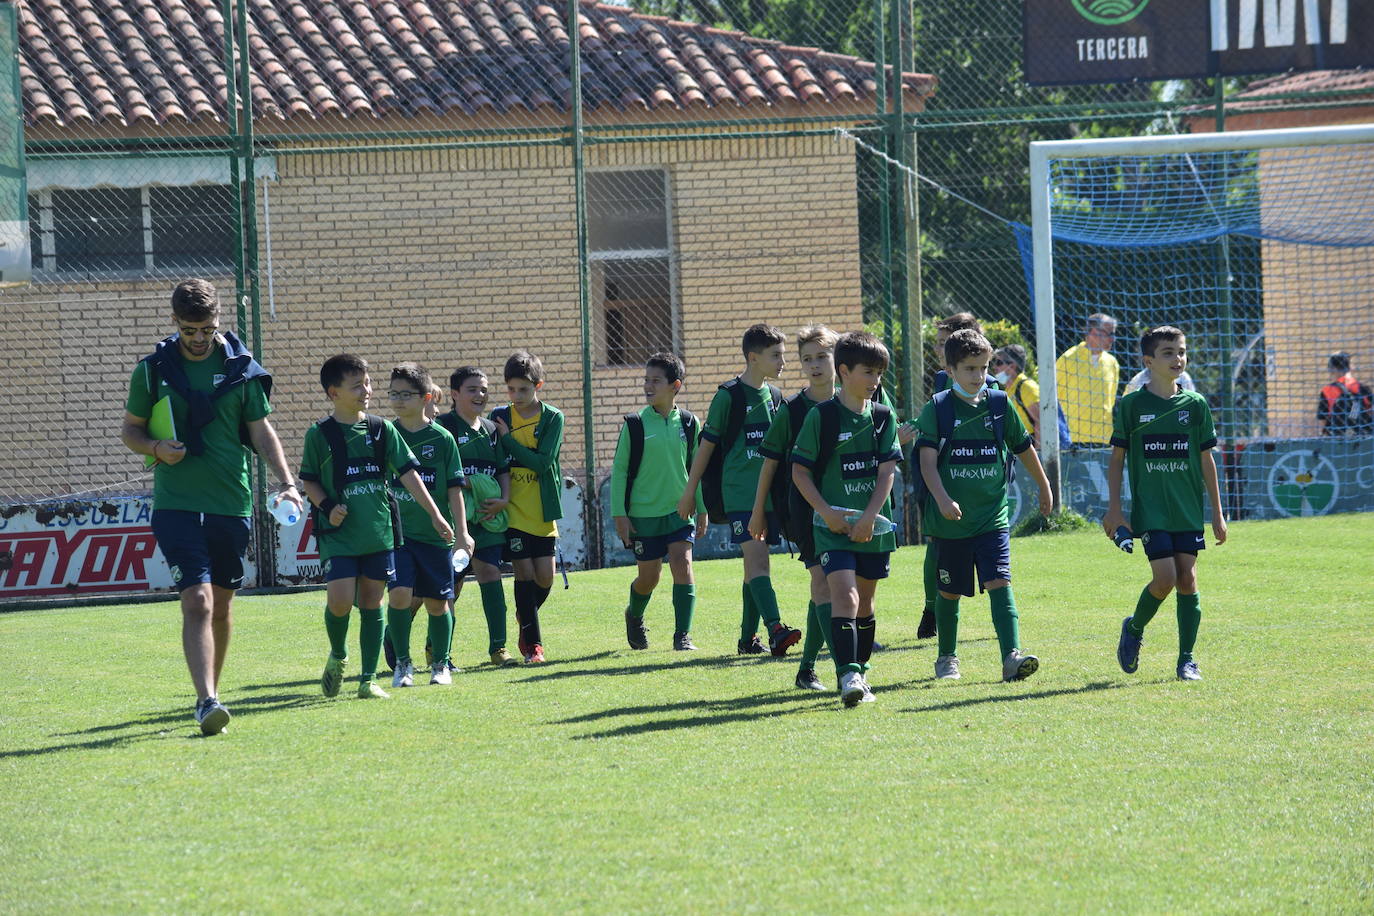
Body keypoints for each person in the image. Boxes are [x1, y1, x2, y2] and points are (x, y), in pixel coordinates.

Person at [120, 278, 300, 736]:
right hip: (177, 505)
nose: (199, 339)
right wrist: (157, 448)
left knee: (221, 606)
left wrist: (287, 483)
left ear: (219, 321)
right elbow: (131, 431)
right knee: (196, 601)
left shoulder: (240, 368)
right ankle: (207, 700)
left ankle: (211, 693)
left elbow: (261, 432)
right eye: (189, 330)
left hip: (231, 504)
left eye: (207, 329)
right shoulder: (152, 370)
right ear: (174, 322)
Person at [299, 354, 455, 700]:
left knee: (373, 601)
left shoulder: (381, 429)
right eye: (357, 386)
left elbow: (409, 474)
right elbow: (309, 481)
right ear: (333, 392)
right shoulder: (319, 435)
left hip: (379, 532)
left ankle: (368, 679)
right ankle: (339, 654)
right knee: (340, 601)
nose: (367, 390)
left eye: (368, 383)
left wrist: (435, 514)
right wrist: (327, 506)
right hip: (339, 535)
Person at [916, 329, 1052, 683]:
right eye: (969, 369)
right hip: (951, 522)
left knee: (1000, 581)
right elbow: (927, 463)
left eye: (983, 367)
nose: (978, 376)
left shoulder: (999, 403)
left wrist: (1044, 485)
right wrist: (943, 499)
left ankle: (1011, 656)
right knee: (948, 591)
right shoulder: (939, 408)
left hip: (993, 516)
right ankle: (947, 658)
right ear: (950, 369)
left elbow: (1023, 447)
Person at [1104, 326, 1227, 681]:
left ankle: (1187, 660)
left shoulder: (1196, 405)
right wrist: (1115, 509)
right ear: (1148, 361)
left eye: (1182, 351)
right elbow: (1116, 460)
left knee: (1188, 579)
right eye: (1168, 352)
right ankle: (1135, 627)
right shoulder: (1131, 406)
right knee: (1165, 579)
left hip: (1187, 509)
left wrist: (1217, 514)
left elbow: (1207, 460)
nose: (1178, 359)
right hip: (1152, 509)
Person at [677, 324, 802, 657]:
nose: (783, 363)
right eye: (776, 356)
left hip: (768, 495)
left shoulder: (776, 399)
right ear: (753, 357)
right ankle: (775, 629)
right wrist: (691, 492)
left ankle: (748, 640)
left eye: (784, 355)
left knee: (755, 568)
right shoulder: (728, 396)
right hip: (739, 494)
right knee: (759, 562)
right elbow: (706, 446)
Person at [791, 331, 902, 706]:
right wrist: (826, 513)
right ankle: (848, 674)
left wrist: (870, 517)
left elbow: (887, 472)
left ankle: (861, 671)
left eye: (879, 373)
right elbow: (799, 473)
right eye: (868, 372)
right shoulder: (819, 418)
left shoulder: (884, 418)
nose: (875, 381)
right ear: (844, 371)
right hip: (831, 529)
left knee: (867, 602)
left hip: (874, 528)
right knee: (845, 594)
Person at [753, 325, 840, 690]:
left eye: (822, 357)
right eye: (807, 359)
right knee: (822, 581)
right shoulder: (791, 409)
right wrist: (759, 511)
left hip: (847, 507)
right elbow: (770, 464)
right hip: (804, 509)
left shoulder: (858, 401)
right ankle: (845, 670)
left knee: (836, 589)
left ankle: (806, 668)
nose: (815, 365)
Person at [383, 362, 473, 689]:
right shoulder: (384, 435)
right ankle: (402, 665)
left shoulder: (443, 438)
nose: (398, 400)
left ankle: (440, 665)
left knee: (438, 602)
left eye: (406, 394)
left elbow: (454, 489)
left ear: (425, 397)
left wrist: (462, 533)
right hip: (397, 536)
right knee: (400, 597)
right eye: (393, 394)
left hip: (435, 537)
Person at [612, 352, 709, 652]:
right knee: (648, 578)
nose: (648, 386)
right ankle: (634, 614)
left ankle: (683, 636)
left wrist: (701, 508)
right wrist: (620, 515)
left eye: (656, 381)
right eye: (646, 381)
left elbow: (696, 468)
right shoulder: (635, 424)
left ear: (675, 385)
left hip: (680, 512)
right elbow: (620, 471)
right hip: (644, 516)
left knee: (683, 564)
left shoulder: (691, 423)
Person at [915, 313, 1000, 642]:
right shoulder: (940, 382)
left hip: (978, 483)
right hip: (938, 473)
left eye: (942, 341)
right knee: (935, 544)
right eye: (937, 343)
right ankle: (930, 608)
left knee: (988, 547)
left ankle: (997, 613)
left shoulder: (991, 389)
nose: (938, 348)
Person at [438, 366, 517, 666]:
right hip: (454, 518)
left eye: (483, 389)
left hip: (487, 516)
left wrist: (503, 500)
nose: (480, 395)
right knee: (451, 583)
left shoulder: (491, 430)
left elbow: (501, 471)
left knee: (490, 573)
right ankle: (438, 648)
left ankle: (499, 648)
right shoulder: (443, 426)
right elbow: (441, 473)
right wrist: (467, 483)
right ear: (455, 394)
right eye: (472, 389)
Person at [491, 350, 564, 664]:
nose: (516, 396)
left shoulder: (552, 417)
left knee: (545, 577)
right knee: (523, 572)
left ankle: (525, 616)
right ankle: (534, 646)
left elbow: (542, 462)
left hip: (542, 509)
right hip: (513, 510)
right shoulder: (500, 415)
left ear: (539, 386)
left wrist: (509, 442)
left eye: (524, 389)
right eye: (511, 389)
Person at [1055, 312, 1120, 447]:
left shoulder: (1112, 362)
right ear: (1095, 332)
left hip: (1104, 440)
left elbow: (1111, 401)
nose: (1113, 339)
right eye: (1110, 334)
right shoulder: (1068, 359)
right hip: (1073, 441)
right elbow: (1054, 398)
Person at [1317, 352, 1373, 436]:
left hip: (1337, 439)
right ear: (1351, 367)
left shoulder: (1327, 391)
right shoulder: (1363, 388)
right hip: (1362, 438)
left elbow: (1323, 419)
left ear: (1333, 369)